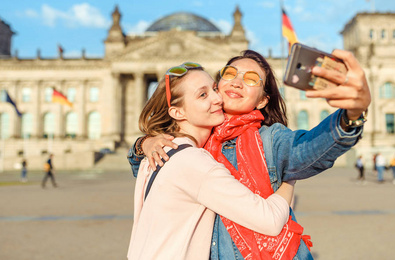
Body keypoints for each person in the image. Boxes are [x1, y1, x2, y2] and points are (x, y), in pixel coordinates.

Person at [128, 49, 371, 259]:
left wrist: (351, 116)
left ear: (263, 101)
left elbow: (307, 149)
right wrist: (144, 144)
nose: (236, 82)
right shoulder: (189, 143)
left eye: (252, 79)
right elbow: (149, 171)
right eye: (230, 74)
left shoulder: (271, 139)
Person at [128, 63, 296, 260]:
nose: (218, 98)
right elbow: (271, 220)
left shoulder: (156, 151)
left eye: (214, 89)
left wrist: (143, 143)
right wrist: (290, 174)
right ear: (177, 112)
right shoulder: (194, 162)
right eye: (202, 95)